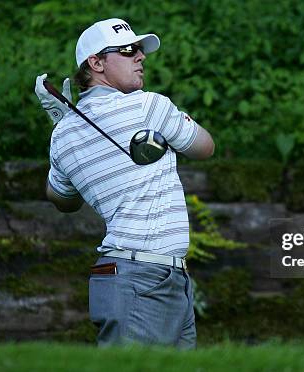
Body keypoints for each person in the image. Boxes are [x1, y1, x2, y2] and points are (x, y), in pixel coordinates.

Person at [34, 18, 214, 349]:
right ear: (96, 63)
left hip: (153, 277)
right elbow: (205, 147)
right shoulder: (149, 106)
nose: (141, 57)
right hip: (140, 278)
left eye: (141, 51)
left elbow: (62, 199)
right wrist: (178, 119)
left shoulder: (64, 133)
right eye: (128, 50)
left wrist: (63, 125)